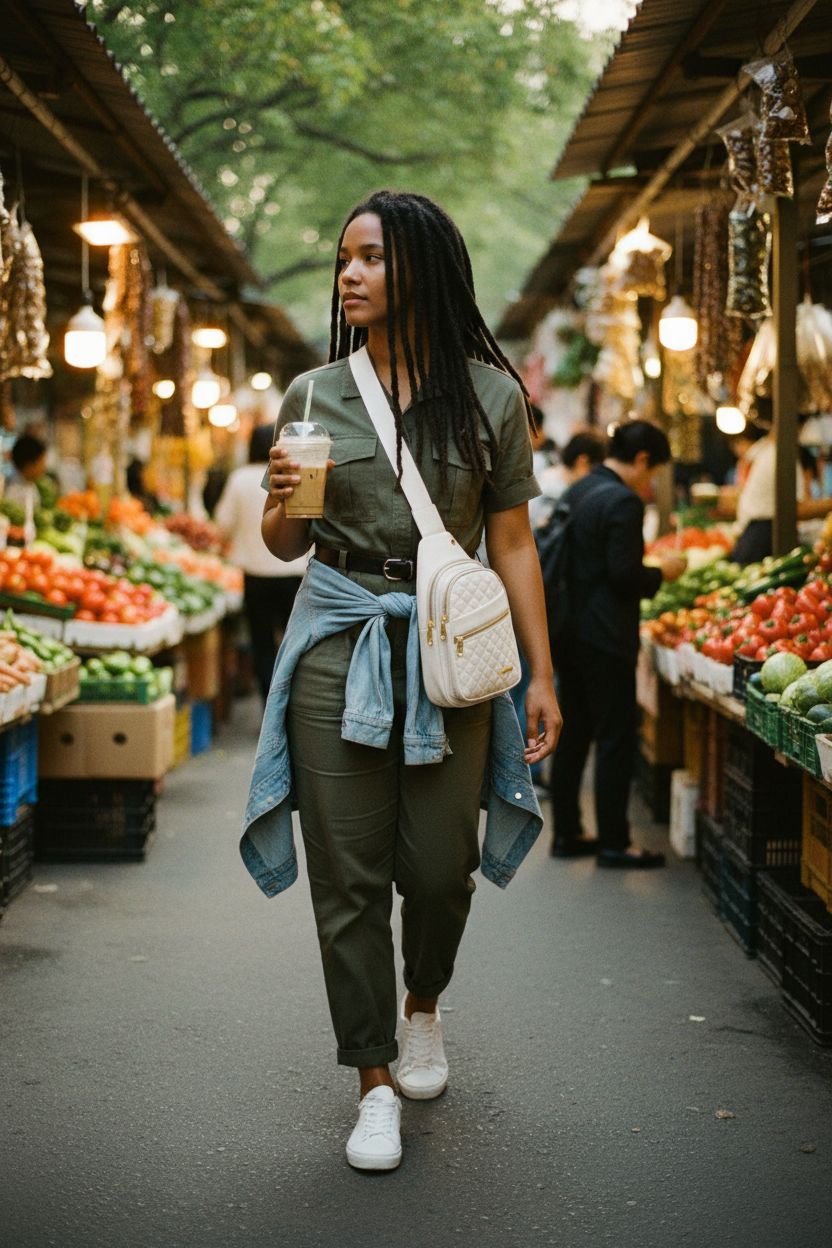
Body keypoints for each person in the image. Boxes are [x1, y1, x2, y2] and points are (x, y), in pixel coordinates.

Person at [240, 189, 561, 1172]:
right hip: (336, 639)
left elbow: (509, 541)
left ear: (419, 266)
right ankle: (371, 1077)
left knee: (435, 869)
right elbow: (284, 543)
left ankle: (424, 1002)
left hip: (446, 653)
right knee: (346, 878)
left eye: (370, 257)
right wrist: (288, 499)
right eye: (345, 258)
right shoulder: (312, 394)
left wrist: (540, 675)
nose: (350, 274)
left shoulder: (491, 397)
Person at [549, 419, 685, 868]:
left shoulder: (581, 490)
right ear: (643, 460)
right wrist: (663, 572)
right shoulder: (622, 502)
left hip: (568, 630)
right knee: (614, 737)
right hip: (605, 636)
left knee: (576, 734)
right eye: (654, 472)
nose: (651, 483)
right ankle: (614, 842)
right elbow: (625, 576)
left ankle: (567, 834)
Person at [214, 423, 306, 702]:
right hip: (295, 571)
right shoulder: (294, 473)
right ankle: (295, 702)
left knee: (263, 644)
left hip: (256, 575)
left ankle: (270, 703)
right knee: (296, 642)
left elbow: (222, 524)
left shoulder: (240, 479)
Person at [6, 432, 47, 513]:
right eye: (42, 462)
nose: (44, 468)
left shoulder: (30, 484)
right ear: (30, 465)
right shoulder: (14, 492)